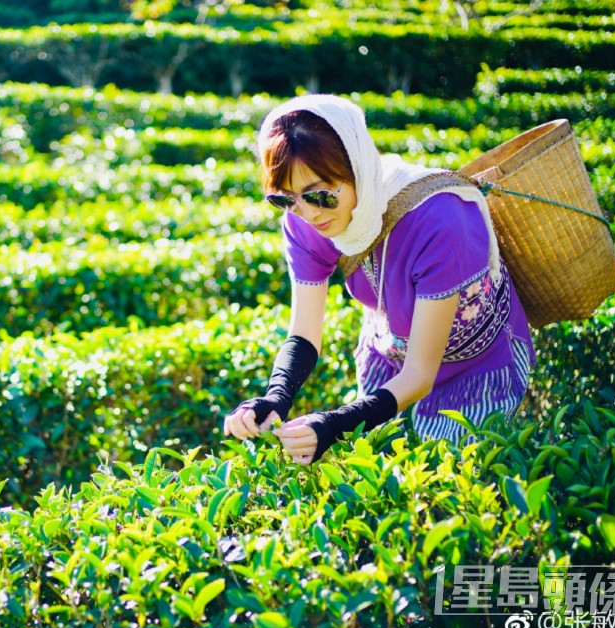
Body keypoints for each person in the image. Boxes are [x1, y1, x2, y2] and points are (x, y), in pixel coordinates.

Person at [223, 94, 535, 465]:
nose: (306, 213)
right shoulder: (304, 220)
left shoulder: (441, 220)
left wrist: (335, 425)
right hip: (390, 354)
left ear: (356, 168)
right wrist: (275, 397)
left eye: (320, 195)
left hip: (476, 363)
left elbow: (420, 374)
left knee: (450, 483)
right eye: (285, 199)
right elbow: (304, 335)